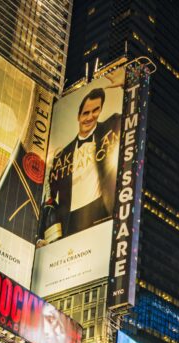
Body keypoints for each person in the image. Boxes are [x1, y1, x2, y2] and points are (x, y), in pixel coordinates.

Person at [47, 87, 122, 239]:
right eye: (85, 113)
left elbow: (130, 115)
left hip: (101, 209)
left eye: (96, 110)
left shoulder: (109, 128)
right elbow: (51, 199)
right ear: (78, 115)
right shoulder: (61, 157)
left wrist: (125, 82)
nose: (90, 117)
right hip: (69, 219)